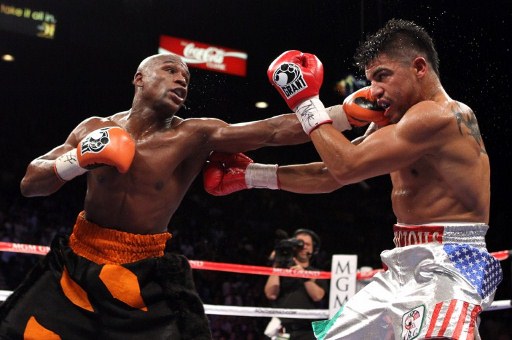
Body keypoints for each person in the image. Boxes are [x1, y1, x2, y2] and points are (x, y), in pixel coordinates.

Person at [0, 53, 382, 339]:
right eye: (170, 70)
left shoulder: (193, 134)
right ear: (139, 78)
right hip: (75, 263)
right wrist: (75, 160)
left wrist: (349, 113)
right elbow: (30, 183)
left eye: (186, 77)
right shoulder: (94, 128)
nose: (181, 80)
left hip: (143, 273)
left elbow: (272, 131)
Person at [203, 19, 503, 339]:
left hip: (452, 263)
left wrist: (306, 102)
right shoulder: (396, 121)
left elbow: (347, 166)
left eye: (383, 76)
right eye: (371, 79)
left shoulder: (441, 115)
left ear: (419, 67)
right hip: (402, 261)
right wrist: (250, 175)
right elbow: (331, 173)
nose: (374, 91)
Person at [264, 229, 328, 340]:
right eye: (299, 243)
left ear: (314, 249)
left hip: (308, 331)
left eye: (307, 244)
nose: (303, 247)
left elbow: (317, 296)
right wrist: (277, 265)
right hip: (282, 328)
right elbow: (271, 294)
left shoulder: (317, 273)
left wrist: (303, 274)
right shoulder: (281, 270)